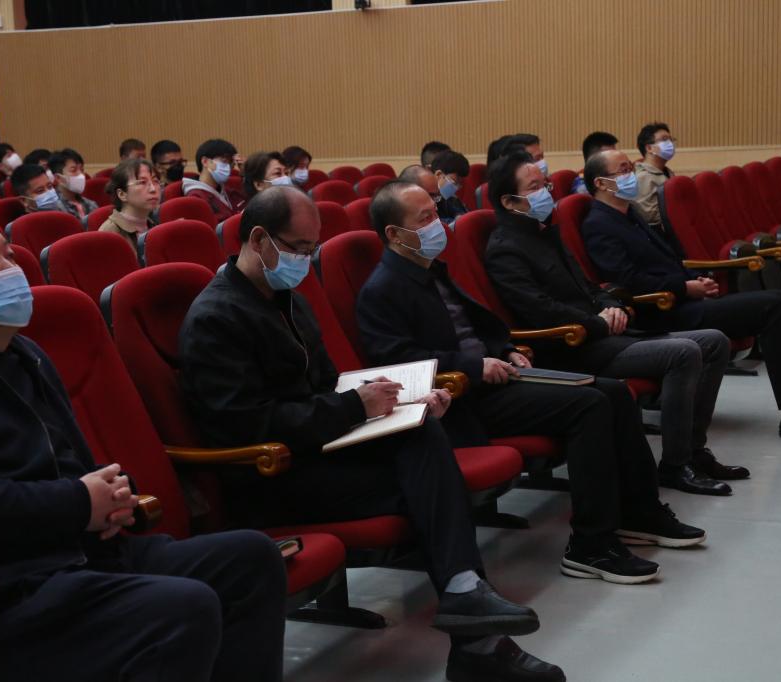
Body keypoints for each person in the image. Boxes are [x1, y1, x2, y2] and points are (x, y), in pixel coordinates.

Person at [0, 206, 287, 682]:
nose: (11, 270)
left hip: (79, 556)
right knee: (181, 607)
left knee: (251, 558)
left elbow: (74, 465)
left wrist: (114, 495)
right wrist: (79, 503)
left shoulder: (24, 352)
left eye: (8, 255)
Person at [179, 186, 562, 682]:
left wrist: (400, 401)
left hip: (319, 453)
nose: (305, 260)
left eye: (312, 248)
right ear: (257, 239)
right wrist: (353, 406)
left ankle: (470, 612)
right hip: (270, 476)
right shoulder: (216, 317)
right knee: (430, 489)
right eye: (298, 248)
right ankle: (475, 629)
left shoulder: (289, 301)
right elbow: (247, 423)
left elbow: (326, 386)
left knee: (422, 434)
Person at [356, 180, 706, 582]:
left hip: (496, 378)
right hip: (463, 400)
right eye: (425, 219)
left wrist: (505, 349)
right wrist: (474, 366)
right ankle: (591, 544)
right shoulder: (382, 290)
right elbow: (399, 362)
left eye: (436, 212)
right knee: (590, 405)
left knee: (613, 391)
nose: (438, 224)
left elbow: (477, 330)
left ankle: (640, 511)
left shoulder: (431, 270)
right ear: (394, 234)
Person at [483, 151, 744, 495]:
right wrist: (598, 322)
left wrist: (611, 305)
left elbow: (589, 287)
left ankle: (694, 451)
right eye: (535, 187)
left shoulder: (546, 233)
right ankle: (676, 465)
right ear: (509, 201)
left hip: (602, 335)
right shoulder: (505, 249)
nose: (546, 192)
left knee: (714, 341)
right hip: (570, 348)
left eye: (546, 185)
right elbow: (540, 311)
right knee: (683, 353)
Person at [581, 149, 781, 441]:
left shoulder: (630, 214)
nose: (631, 174)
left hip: (682, 300)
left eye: (630, 167)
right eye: (623, 170)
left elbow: (669, 259)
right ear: (601, 183)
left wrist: (695, 279)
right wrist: (684, 287)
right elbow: (628, 281)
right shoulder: (598, 224)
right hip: (659, 312)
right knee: (774, 307)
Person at [100, 158, 160, 255]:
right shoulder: (109, 233)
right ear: (122, 194)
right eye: (142, 182)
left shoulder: (155, 227)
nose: (153, 189)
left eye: (155, 181)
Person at [182, 138, 246, 223]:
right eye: (224, 161)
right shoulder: (196, 197)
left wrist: (247, 173)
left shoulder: (225, 188)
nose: (228, 167)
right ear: (205, 161)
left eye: (231, 164)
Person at [632, 122, 677, 227]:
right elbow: (650, 217)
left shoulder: (667, 171)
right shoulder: (642, 177)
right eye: (664, 139)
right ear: (649, 148)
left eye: (671, 140)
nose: (670, 144)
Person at [47, 148, 98, 225]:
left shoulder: (91, 204)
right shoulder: (52, 208)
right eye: (73, 170)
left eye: (82, 170)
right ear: (58, 178)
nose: (81, 175)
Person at [429, 150, 471, 224]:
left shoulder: (450, 198)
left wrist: (459, 215)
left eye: (460, 183)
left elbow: (463, 214)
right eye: (455, 182)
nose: (457, 187)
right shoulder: (424, 199)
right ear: (439, 175)